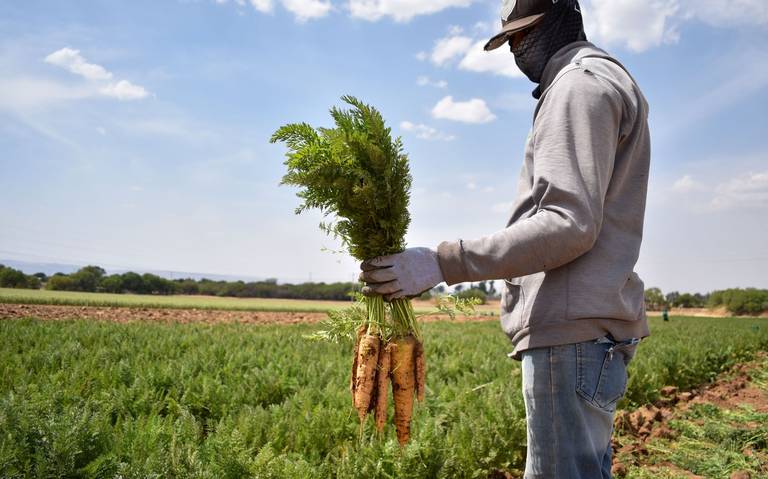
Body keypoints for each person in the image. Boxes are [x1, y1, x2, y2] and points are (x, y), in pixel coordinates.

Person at [360, 0, 650, 476]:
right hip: (587, 336)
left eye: (523, 34)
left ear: (560, 17)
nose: (516, 49)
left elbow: (567, 223)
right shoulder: (602, 80)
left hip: (569, 336)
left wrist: (442, 263)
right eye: (510, 39)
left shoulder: (577, 86)